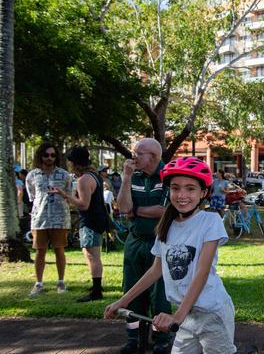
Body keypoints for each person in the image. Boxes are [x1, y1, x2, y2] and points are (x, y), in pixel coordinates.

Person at [105, 156, 237, 354]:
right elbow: (155, 270)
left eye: (190, 188)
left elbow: (201, 273)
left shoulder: (210, 221)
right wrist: (122, 301)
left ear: (203, 193)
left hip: (212, 312)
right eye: (175, 188)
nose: (182, 195)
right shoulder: (166, 226)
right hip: (187, 315)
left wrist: (177, 317)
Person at [116, 138, 173, 354]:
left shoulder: (167, 176)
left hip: (159, 240)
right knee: (131, 288)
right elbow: (123, 208)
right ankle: (135, 338)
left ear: (154, 157)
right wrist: (126, 179)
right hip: (135, 240)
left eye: (138, 153)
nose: (134, 156)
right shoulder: (133, 176)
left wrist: (135, 209)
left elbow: (164, 210)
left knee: (159, 293)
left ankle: (161, 338)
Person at [53, 146, 108, 302]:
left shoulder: (84, 179)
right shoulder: (95, 175)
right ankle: (96, 286)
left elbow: (84, 204)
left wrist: (65, 195)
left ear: (75, 164)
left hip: (90, 220)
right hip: (97, 219)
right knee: (92, 254)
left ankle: (97, 291)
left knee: (92, 256)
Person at [24, 142, 73, 296]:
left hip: (60, 218)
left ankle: (61, 282)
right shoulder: (32, 175)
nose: (49, 158)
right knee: (40, 251)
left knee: (59, 249)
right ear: (41, 156)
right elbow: (32, 197)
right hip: (40, 218)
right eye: (46, 155)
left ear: (56, 157)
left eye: (53, 155)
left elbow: (70, 196)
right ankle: (38, 284)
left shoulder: (65, 175)